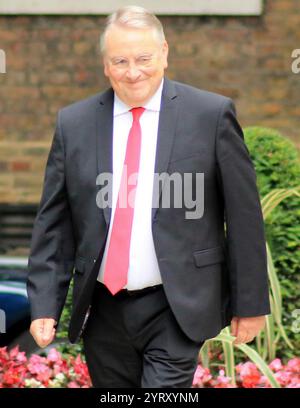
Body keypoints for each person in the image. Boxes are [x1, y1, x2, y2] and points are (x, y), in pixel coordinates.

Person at [27, 5, 271, 388]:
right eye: (120, 61)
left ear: (164, 54)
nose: (133, 71)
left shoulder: (210, 115)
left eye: (143, 58)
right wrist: (44, 303)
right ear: (106, 65)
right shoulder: (74, 123)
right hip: (103, 309)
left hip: (175, 305)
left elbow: (243, 217)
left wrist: (251, 304)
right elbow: (54, 224)